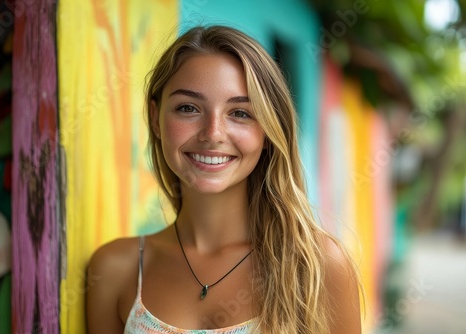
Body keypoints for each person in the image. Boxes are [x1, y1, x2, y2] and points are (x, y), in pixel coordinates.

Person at [86, 25, 361, 334]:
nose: (213, 133)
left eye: (241, 113)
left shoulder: (317, 267)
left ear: (269, 130)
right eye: (188, 108)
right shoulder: (115, 269)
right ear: (156, 118)